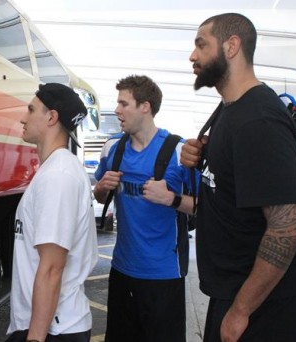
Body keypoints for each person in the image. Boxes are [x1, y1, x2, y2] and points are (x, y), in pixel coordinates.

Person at [180, 13, 296, 342]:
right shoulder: (231, 109)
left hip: (264, 304)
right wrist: (200, 156)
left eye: (201, 44)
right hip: (235, 292)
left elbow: (289, 227)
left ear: (231, 46)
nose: (192, 55)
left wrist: (241, 310)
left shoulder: (258, 120)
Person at [92, 74, 196, 341]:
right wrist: (102, 188)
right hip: (121, 270)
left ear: (145, 107)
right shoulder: (112, 148)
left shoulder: (178, 151)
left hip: (164, 274)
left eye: (124, 103)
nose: (117, 110)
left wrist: (171, 199)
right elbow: (101, 198)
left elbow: (205, 208)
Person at [6, 83, 98, 342]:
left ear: (51, 117)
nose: (23, 118)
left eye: (31, 109)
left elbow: (52, 267)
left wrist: (35, 337)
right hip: (51, 326)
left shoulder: (58, 175)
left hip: (53, 330)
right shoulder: (56, 170)